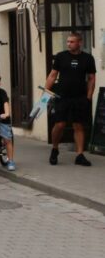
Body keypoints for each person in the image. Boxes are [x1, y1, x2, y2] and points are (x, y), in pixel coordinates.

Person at [45, 32, 96, 166]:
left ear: (79, 43)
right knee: (60, 124)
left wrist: (89, 96)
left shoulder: (88, 58)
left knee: (78, 125)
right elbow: (52, 75)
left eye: (71, 42)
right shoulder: (61, 57)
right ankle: (55, 149)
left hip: (79, 97)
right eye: (67, 41)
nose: (68, 44)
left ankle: (79, 155)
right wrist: (46, 92)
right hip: (62, 96)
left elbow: (91, 78)